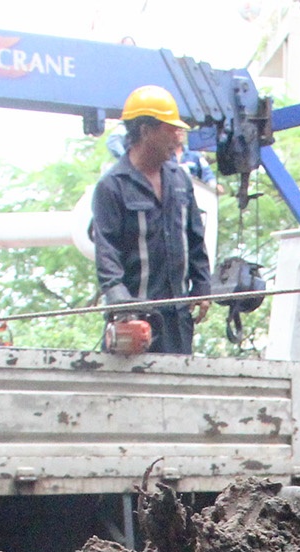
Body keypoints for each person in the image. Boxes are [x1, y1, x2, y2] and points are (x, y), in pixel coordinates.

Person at [90, 84, 212, 354]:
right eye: (171, 130)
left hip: (178, 320)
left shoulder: (179, 179)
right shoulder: (113, 186)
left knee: (177, 393)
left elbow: (195, 238)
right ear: (145, 131)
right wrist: (121, 303)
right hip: (134, 323)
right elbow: (106, 254)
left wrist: (203, 284)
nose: (178, 140)